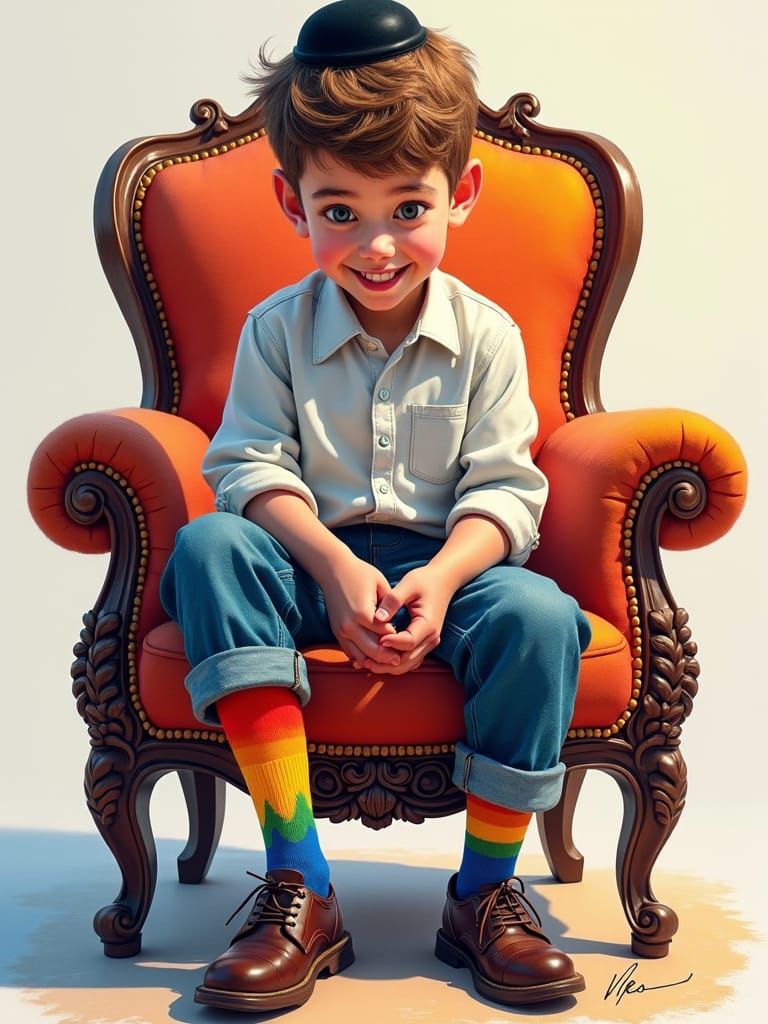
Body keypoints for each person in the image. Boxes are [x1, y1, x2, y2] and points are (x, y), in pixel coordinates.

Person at [159, 0, 592, 1012]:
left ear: (462, 192)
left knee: (537, 612)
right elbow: (248, 467)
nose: (378, 244)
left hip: (452, 575)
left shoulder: (486, 336)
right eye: (339, 211)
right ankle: (300, 880)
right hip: (312, 575)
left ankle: (485, 892)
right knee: (212, 544)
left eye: (409, 207)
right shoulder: (276, 331)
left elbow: (503, 491)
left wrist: (437, 583)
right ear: (291, 202)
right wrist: (337, 570)